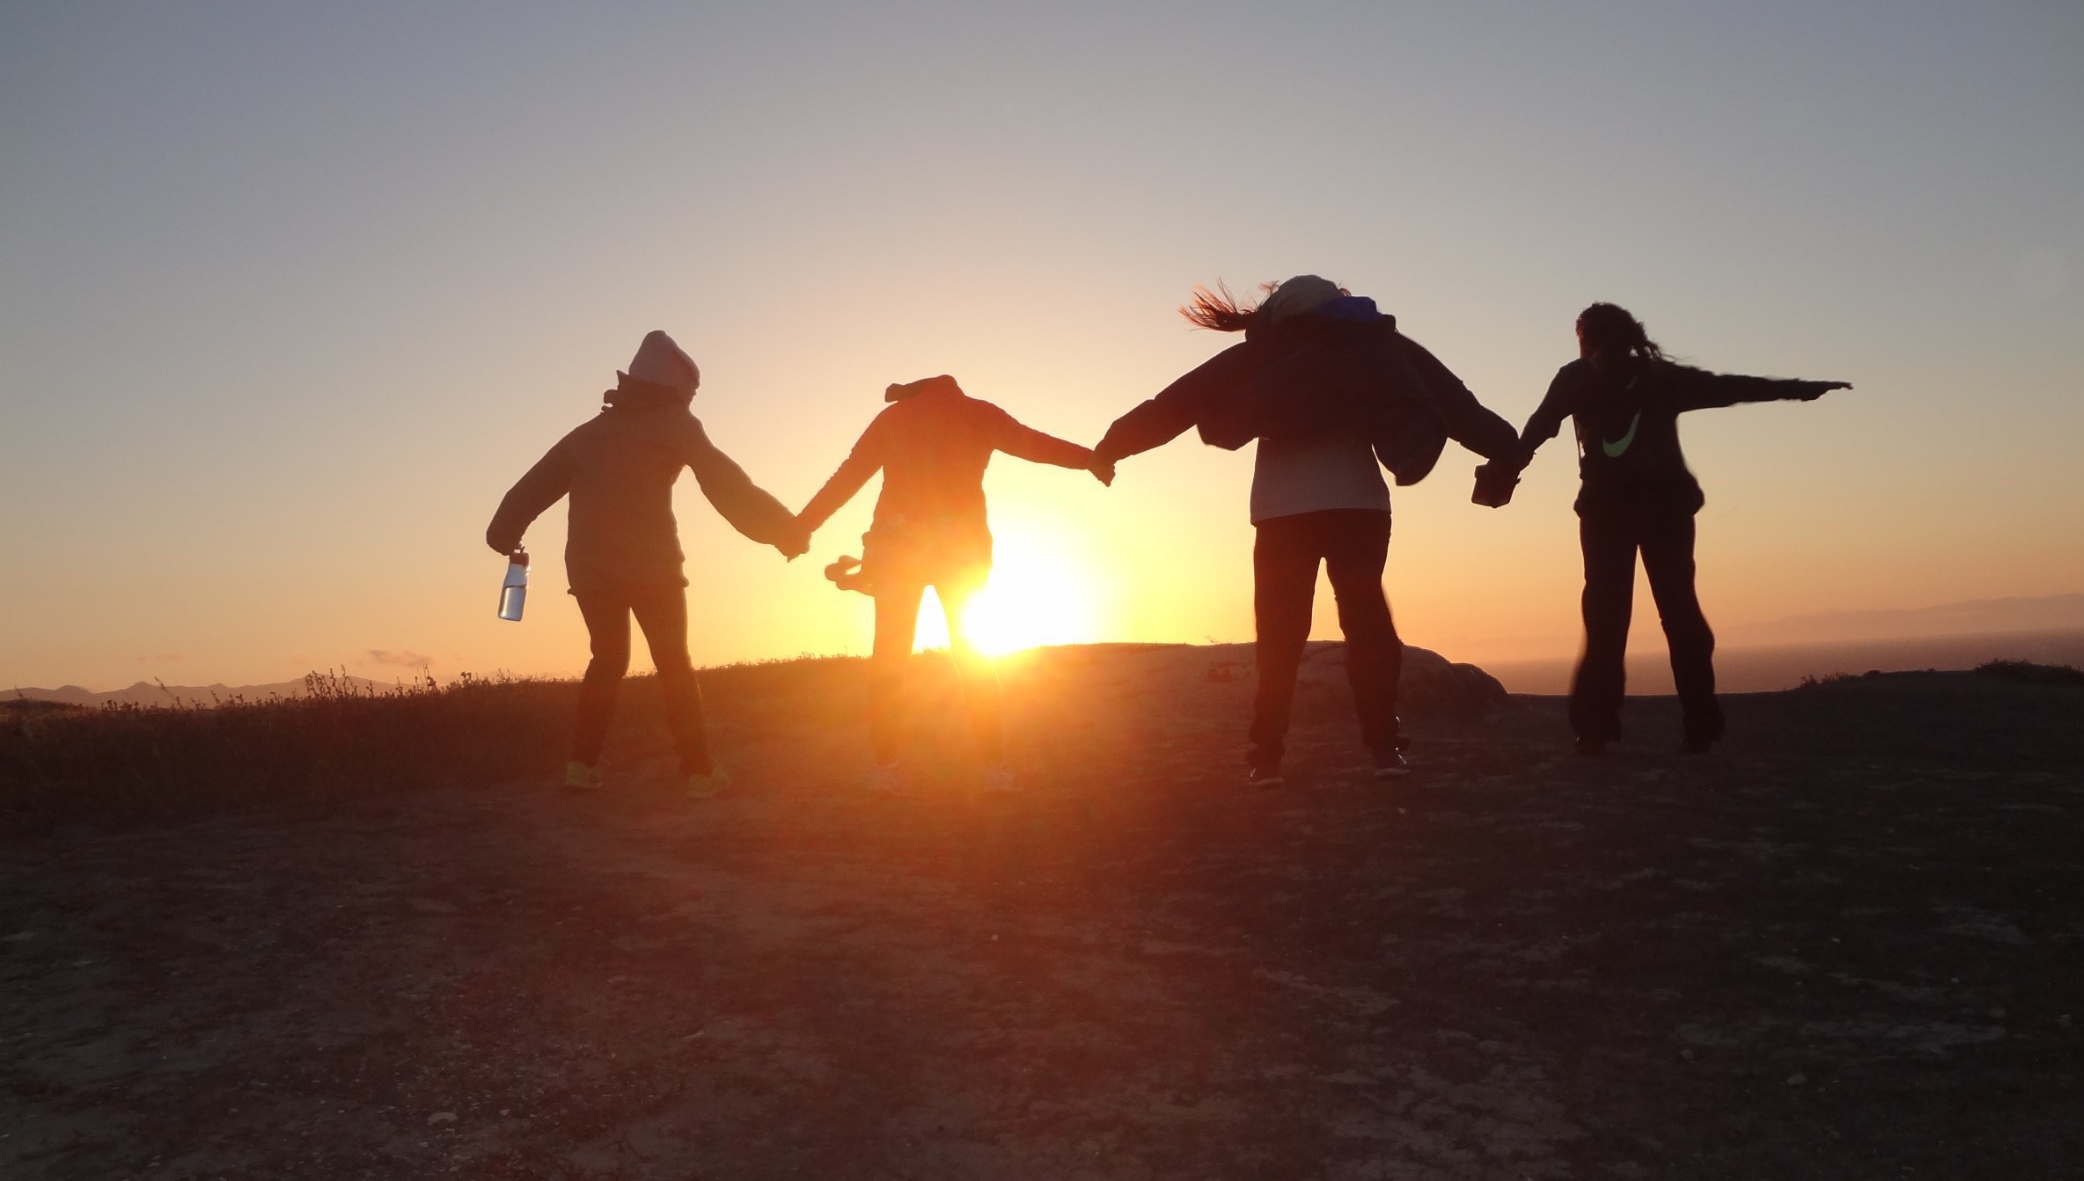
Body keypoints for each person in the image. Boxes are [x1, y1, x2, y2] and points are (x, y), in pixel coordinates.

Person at [1096, 276, 1521, 785]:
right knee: (1367, 627)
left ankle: (1267, 756)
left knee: (1279, 637)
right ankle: (1385, 749)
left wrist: (1112, 446)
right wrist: (1508, 450)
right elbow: (1458, 406)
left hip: (1281, 513)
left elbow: (1177, 403)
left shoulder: (1265, 355)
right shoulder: (1376, 347)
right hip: (1360, 507)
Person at [1505, 302, 1850, 755]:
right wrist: (1800, 390)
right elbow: (1730, 388)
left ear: (1588, 337)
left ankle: (1597, 728)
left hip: (1609, 514)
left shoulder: (1579, 377)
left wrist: (1505, 470)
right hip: (1664, 511)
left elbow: (1538, 428)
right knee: (1679, 613)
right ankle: (1699, 724)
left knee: (1607, 619)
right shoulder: (1657, 377)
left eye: (1585, 336)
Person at [486, 330, 807, 797]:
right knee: (674, 662)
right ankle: (699, 772)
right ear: (677, 388)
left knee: (608, 660)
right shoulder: (676, 424)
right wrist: (782, 529)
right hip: (652, 567)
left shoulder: (588, 433)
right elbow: (725, 482)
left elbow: (530, 489)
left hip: (591, 570)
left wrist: (504, 536)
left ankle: (581, 767)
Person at [795, 375, 1110, 794]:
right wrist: (1090, 459)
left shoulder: (894, 417)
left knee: (889, 656)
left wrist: (802, 526)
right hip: (961, 550)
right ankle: (993, 769)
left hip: (896, 547)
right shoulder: (979, 412)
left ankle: (885, 768)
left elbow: (849, 476)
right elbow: (1034, 444)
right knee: (973, 655)